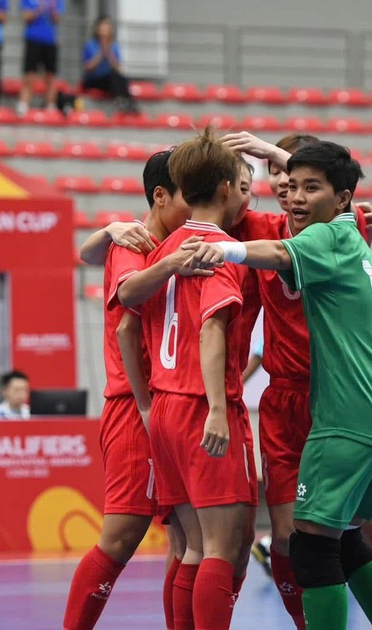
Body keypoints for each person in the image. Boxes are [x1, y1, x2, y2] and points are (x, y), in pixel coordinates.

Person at [184, 141, 372, 630]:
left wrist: (220, 248)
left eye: (311, 186)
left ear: (343, 197)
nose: (295, 192)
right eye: (288, 181)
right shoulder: (351, 235)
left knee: (312, 544)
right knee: (344, 538)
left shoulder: (324, 238)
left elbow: (275, 252)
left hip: (345, 415)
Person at [64, 149, 205, 630]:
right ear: (161, 195)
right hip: (134, 407)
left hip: (168, 407)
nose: (200, 204)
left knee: (185, 541)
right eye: (191, 194)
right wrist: (145, 406)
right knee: (122, 536)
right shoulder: (134, 242)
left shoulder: (179, 241)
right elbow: (127, 318)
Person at [140, 130, 256, 630]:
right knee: (220, 549)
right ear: (228, 188)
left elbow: (127, 321)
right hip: (200, 406)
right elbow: (212, 329)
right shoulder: (220, 251)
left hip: (164, 404)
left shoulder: (165, 247)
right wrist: (215, 408)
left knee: (189, 546)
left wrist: (147, 402)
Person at [81, 17, 138, 113]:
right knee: (112, 78)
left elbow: (118, 68)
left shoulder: (114, 47)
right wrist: (101, 54)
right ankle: (120, 100)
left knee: (121, 78)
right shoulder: (90, 45)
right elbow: (88, 68)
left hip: (109, 79)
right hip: (93, 79)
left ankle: (126, 101)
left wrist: (109, 54)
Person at [16, 0, 63, 117]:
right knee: (29, 75)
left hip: (50, 40)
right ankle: (23, 105)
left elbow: (56, 20)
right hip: (33, 39)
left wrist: (52, 10)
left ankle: (50, 105)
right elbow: (26, 17)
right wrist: (40, 9)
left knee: (50, 76)